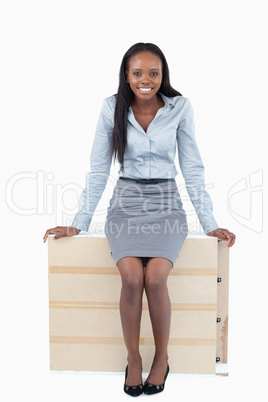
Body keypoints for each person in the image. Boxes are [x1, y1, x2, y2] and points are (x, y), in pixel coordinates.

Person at [43, 42, 236, 396]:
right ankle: (134, 358)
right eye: (137, 73)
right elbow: (98, 169)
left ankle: (161, 357)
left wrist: (209, 222)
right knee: (132, 278)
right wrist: (79, 222)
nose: (145, 80)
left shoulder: (180, 108)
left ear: (163, 76)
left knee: (156, 277)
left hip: (166, 202)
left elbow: (192, 168)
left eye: (153, 73)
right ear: (126, 76)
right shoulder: (111, 108)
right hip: (126, 202)